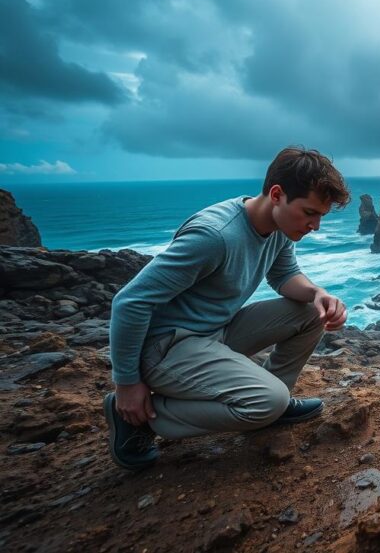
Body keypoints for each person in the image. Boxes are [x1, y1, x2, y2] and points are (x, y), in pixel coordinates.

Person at [104, 147, 350, 470]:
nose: (315, 226)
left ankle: (271, 406)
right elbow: (129, 302)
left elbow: (285, 275)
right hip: (166, 348)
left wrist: (318, 293)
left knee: (310, 313)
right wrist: (127, 384)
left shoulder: (278, 227)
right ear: (277, 194)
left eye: (320, 216)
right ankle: (144, 421)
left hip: (214, 333)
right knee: (268, 401)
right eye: (309, 213)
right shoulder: (214, 236)